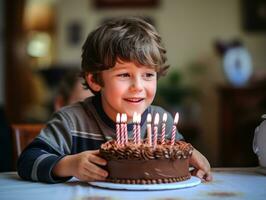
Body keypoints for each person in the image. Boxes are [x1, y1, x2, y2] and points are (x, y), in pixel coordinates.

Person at [17, 17, 212, 183]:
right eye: (124, 75)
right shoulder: (71, 122)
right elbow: (26, 162)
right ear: (94, 80)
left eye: (148, 75)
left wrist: (191, 156)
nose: (138, 86)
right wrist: (69, 165)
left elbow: (178, 160)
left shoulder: (161, 122)